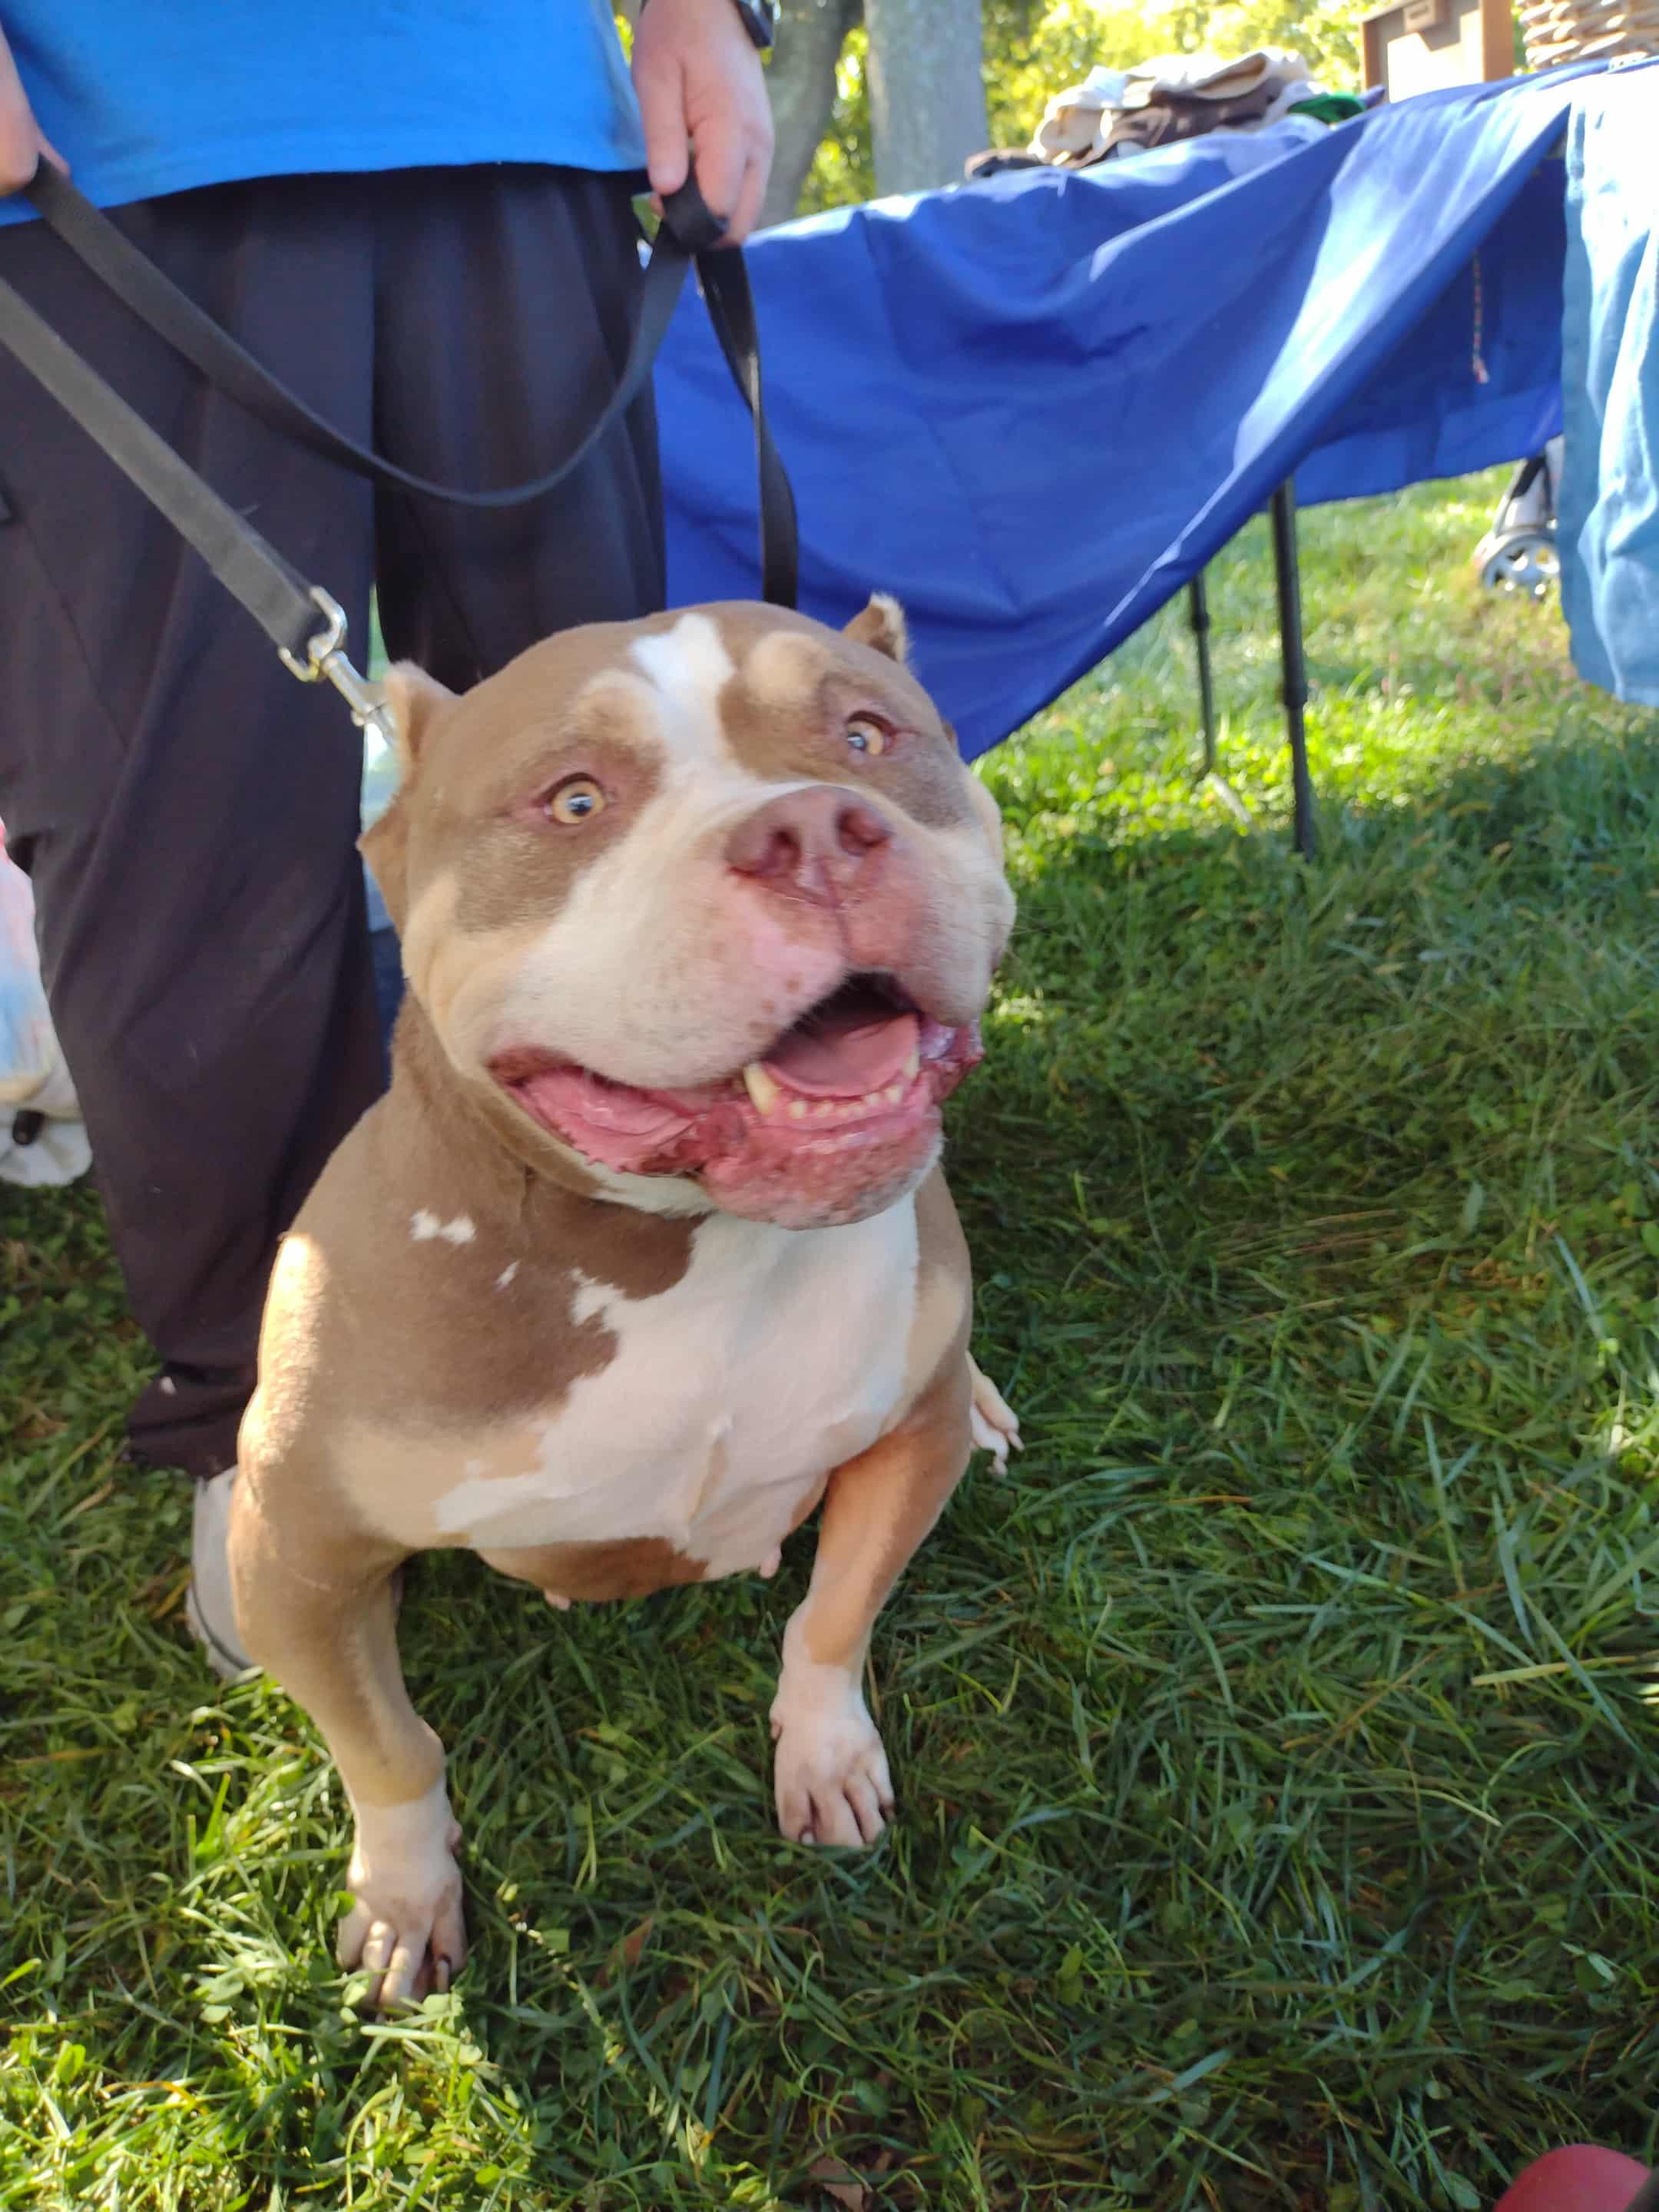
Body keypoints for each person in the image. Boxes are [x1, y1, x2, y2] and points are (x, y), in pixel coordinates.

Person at [0, 2, 775, 1669]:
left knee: (599, 803)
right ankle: (263, 1410)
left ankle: (639, 1291)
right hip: (113, 121)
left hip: (518, 105)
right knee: (189, 847)